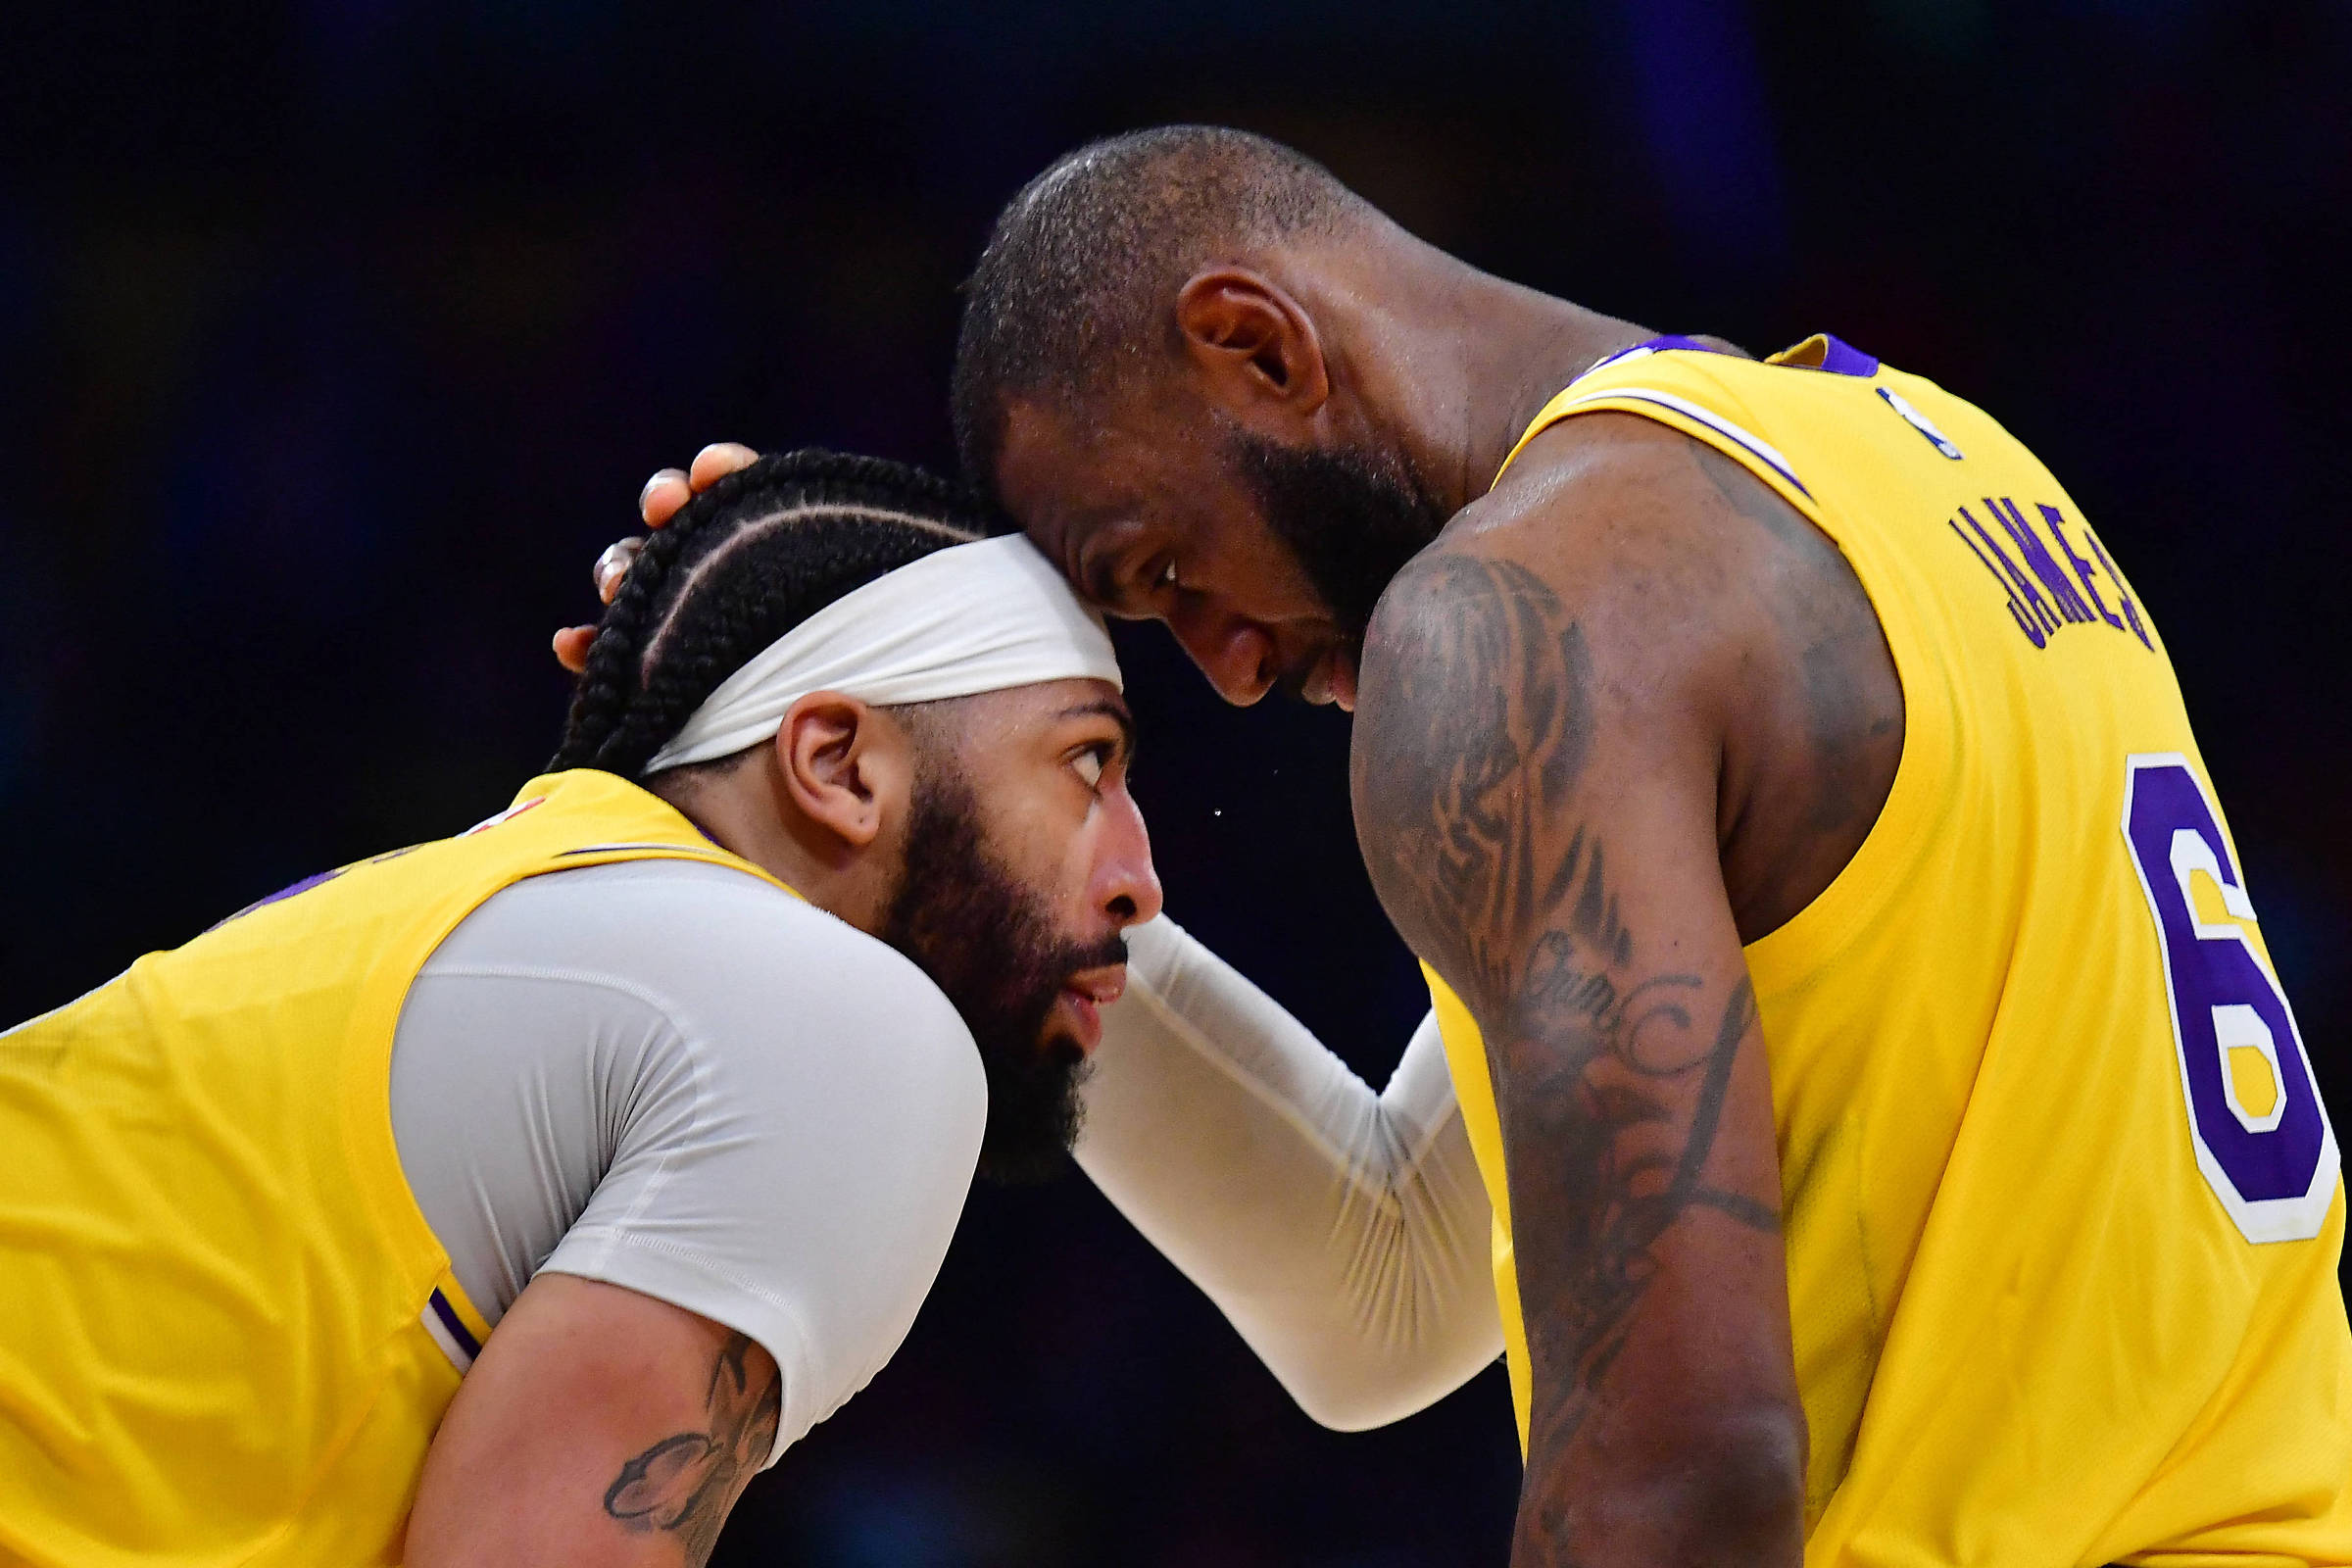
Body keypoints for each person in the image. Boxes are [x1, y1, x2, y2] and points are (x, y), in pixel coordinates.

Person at [627, 125, 2352, 1563]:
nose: (1220, 670)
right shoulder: (1918, 458)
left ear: (1261, 345)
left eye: (1166, 569)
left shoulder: (1513, 626)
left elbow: (1684, 1475)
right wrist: (943, 845)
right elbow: (1390, 1284)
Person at [0, 449, 1170, 1567]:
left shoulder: (502, 905)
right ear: (839, 767)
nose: (1141, 880)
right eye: (1086, 764)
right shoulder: (847, 1026)